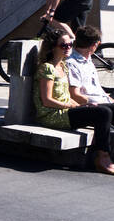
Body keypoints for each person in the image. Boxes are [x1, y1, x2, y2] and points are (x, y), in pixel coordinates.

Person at [34, 24, 114, 174]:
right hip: (52, 115)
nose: (68, 47)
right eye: (64, 45)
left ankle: (106, 153)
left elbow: (67, 95)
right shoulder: (47, 68)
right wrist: (75, 106)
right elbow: (47, 101)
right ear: (53, 47)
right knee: (103, 113)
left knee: (109, 109)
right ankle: (102, 157)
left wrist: (81, 105)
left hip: (65, 110)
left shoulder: (63, 66)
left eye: (70, 44)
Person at [67, 25, 113, 109]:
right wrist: (98, 105)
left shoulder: (87, 59)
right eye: (98, 43)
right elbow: (74, 94)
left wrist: (111, 102)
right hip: (93, 106)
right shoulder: (72, 63)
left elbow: (98, 89)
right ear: (93, 46)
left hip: (103, 101)